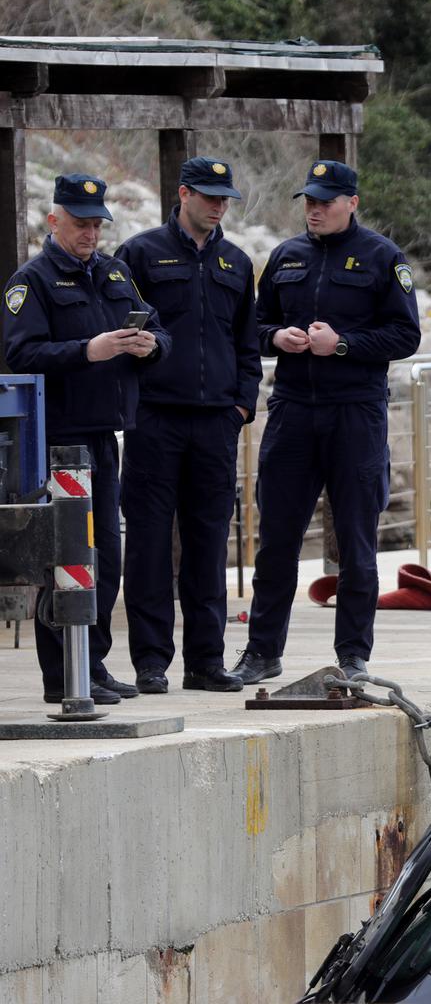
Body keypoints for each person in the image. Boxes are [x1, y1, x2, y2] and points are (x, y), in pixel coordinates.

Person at [230, 160, 420, 684]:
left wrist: (342, 345)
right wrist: (276, 338)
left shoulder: (383, 257)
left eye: (325, 202)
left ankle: (353, 655)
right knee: (277, 538)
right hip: (293, 409)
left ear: (351, 203)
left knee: (356, 540)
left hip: (356, 412)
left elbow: (406, 336)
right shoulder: (286, 256)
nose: (314, 210)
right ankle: (262, 652)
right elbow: (255, 325)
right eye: (309, 202)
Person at [2, 174, 170, 703]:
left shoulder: (115, 272)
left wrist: (150, 346)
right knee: (64, 557)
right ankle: (62, 676)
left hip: (103, 436)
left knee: (105, 558)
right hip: (58, 441)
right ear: (54, 221)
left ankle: (92, 663)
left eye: (97, 224)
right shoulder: (32, 281)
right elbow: (20, 353)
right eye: (80, 224)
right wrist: (86, 351)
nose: (90, 234)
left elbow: (161, 331)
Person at [116, 157, 261, 694]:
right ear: (183, 194)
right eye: (208, 196)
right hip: (154, 419)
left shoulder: (237, 262)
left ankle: (206, 662)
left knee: (207, 545)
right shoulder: (139, 254)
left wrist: (242, 406)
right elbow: (119, 333)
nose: (218, 205)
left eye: (225, 198)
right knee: (149, 545)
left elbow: (248, 343)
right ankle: (151, 662)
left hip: (215, 424)